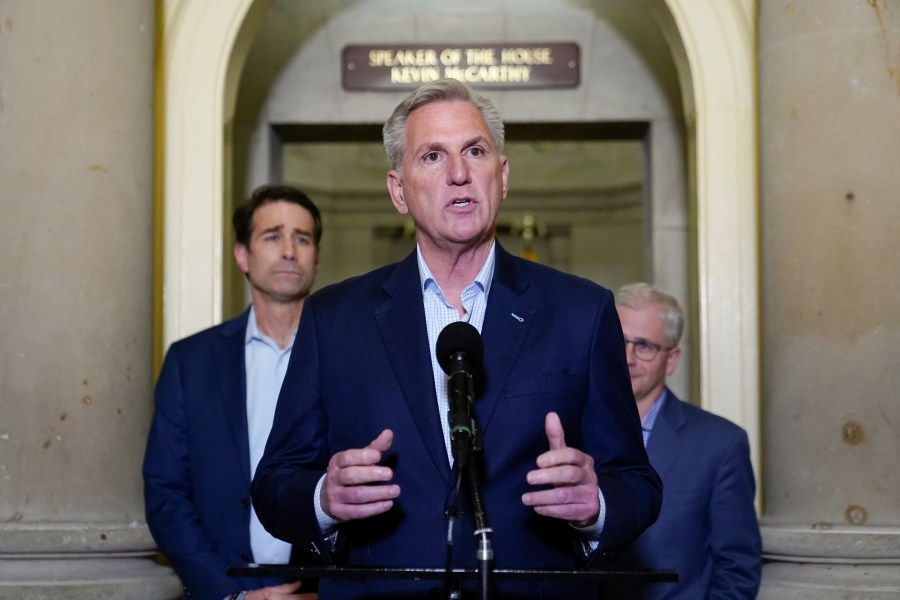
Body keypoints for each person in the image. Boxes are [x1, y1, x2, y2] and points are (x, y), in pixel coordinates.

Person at [251, 79, 662, 599]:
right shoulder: (333, 319)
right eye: (432, 157)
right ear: (399, 191)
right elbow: (274, 484)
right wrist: (323, 498)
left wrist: (597, 504)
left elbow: (637, 482)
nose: (460, 174)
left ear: (503, 175)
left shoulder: (582, 312)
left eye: (475, 150)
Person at [143, 185, 323, 600]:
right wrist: (228, 595)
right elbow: (166, 492)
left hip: (318, 591)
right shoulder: (191, 362)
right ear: (243, 255)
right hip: (222, 588)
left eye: (303, 238)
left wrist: (330, 588)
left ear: (316, 259)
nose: (290, 251)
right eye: (273, 236)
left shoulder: (349, 357)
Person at [604, 282, 762, 599]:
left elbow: (737, 568)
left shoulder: (720, 445)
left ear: (672, 359)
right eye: (618, 342)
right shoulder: (568, 431)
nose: (629, 357)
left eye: (645, 346)